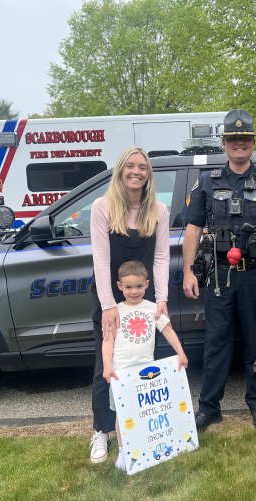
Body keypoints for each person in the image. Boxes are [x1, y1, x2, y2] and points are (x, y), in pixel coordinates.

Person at [182, 109, 256, 431]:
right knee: (216, 341)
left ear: (253, 142)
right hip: (220, 276)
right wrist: (190, 271)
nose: (239, 143)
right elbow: (192, 228)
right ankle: (209, 408)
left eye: (245, 138)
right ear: (224, 143)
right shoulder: (207, 182)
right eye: (233, 139)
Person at [89, 147, 170, 463]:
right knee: (106, 369)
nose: (137, 172)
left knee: (141, 366)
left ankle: (138, 430)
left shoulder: (158, 210)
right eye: (131, 166)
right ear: (121, 170)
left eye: (143, 167)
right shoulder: (102, 207)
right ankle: (101, 431)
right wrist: (109, 305)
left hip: (143, 303)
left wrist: (161, 299)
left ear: (148, 174)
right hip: (110, 303)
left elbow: (161, 257)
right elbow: (100, 257)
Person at [102, 260, 188, 471]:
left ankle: (145, 447)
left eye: (139, 286)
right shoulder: (116, 312)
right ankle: (124, 452)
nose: (134, 291)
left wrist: (181, 353)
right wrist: (106, 366)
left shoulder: (153, 309)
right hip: (121, 374)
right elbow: (108, 341)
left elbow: (168, 330)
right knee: (122, 415)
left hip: (147, 373)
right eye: (129, 287)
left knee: (144, 412)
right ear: (119, 286)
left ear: (147, 284)